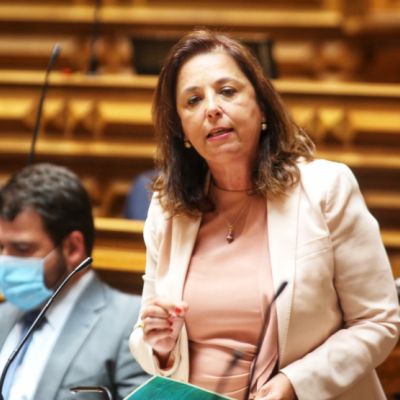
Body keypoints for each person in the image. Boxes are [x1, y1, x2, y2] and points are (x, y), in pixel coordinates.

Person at [128, 29, 400, 400]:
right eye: (193, 100)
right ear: (182, 131)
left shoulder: (326, 189)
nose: (211, 108)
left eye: (227, 91)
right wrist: (160, 345)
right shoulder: (168, 209)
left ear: (262, 107)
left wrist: (295, 383)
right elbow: (144, 336)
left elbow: (378, 321)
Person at [0, 163, 148, 400]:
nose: (5, 261)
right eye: (1, 248)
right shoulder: (2, 316)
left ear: (73, 248)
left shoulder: (132, 324)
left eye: (22, 249)